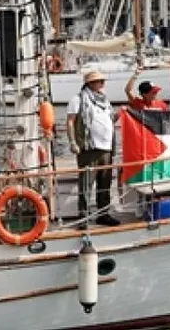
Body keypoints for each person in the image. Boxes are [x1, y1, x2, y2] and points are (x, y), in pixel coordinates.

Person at [66, 69, 120, 227]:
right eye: (99, 81)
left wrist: (120, 115)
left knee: (105, 183)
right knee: (86, 184)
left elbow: (110, 118)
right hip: (89, 148)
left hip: (106, 148)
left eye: (103, 81)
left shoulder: (104, 100)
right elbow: (70, 121)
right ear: (90, 83)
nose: (102, 84)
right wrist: (72, 142)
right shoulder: (78, 99)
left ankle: (103, 214)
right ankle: (83, 216)